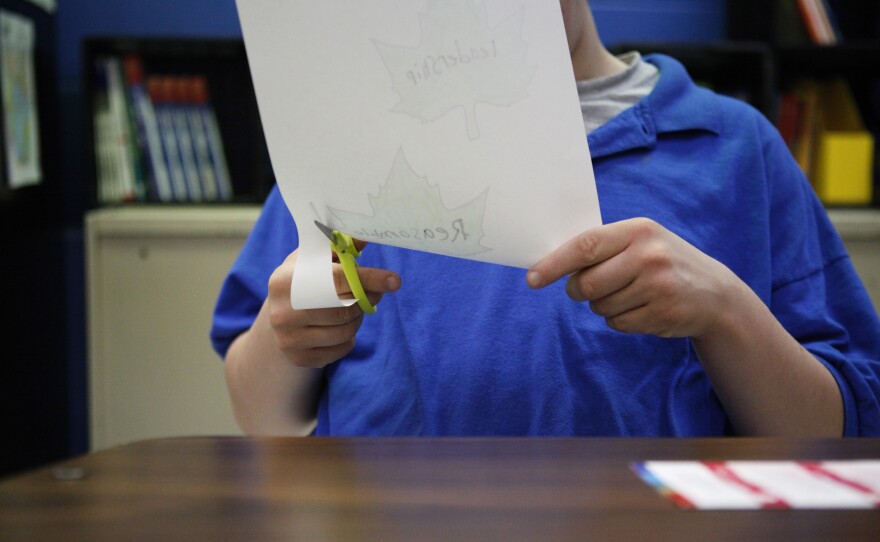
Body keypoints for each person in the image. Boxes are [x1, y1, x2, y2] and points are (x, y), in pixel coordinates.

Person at [211, 0, 880, 437]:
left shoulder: (730, 147)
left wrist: (725, 310)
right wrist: (288, 335)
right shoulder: (352, 144)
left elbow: (839, 432)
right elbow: (260, 413)